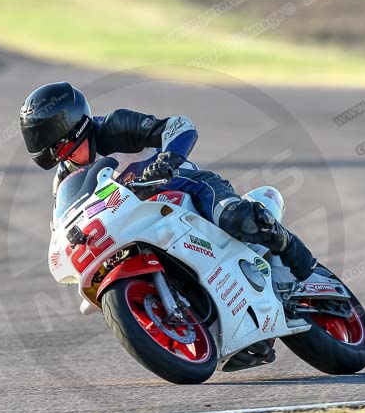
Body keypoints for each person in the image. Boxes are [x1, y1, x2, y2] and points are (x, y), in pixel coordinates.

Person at [20, 82, 318, 283]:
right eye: (57, 152)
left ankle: (292, 251)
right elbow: (64, 223)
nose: (65, 157)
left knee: (236, 218)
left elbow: (179, 126)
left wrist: (167, 162)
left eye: (65, 147)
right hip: (134, 223)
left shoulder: (114, 126)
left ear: (79, 127)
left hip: (182, 185)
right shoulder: (64, 181)